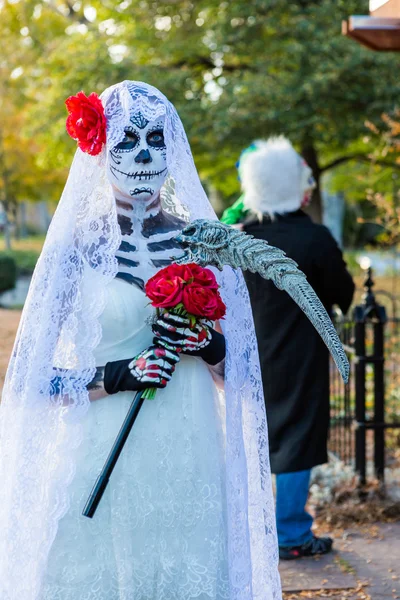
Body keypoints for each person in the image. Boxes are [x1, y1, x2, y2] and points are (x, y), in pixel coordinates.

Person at [0, 82, 281, 600]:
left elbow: (238, 373)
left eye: (156, 138)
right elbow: (31, 380)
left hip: (189, 452)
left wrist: (206, 345)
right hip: (104, 448)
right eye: (129, 140)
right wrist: (118, 375)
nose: (145, 154)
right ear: (101, 145)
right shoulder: (76, 248)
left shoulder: (200, 241)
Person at [222, 137, 355, 560]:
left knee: (252, 438)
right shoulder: (314, 238)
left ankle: (255, 530)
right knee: (297, 439)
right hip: (300, 354)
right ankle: (291, 533)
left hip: (245, 352)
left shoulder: (236, 237)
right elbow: (344, 292)